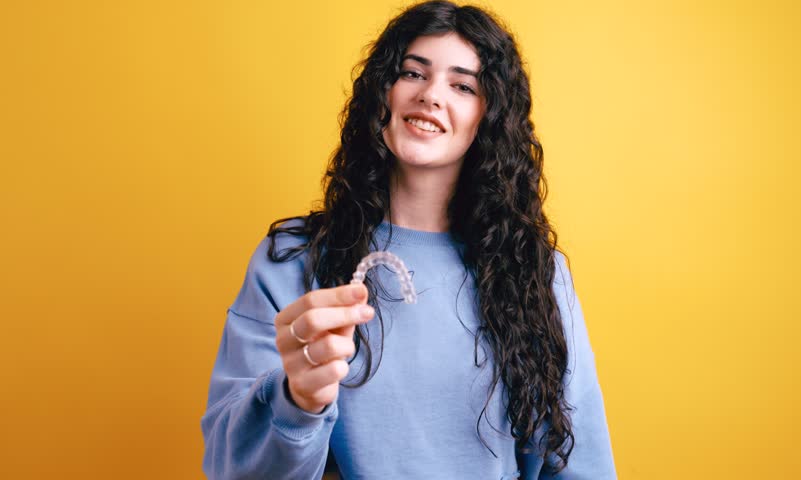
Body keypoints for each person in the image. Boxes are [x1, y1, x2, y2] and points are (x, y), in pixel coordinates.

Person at [200, 1, 617, 478]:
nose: (431, 96)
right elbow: (231, 468)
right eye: (413, 74)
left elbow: (578, 462)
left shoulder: (535, 274)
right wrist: (298, 400)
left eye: (463, 85)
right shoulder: (292, 262)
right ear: (383, 92)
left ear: (490, 117)